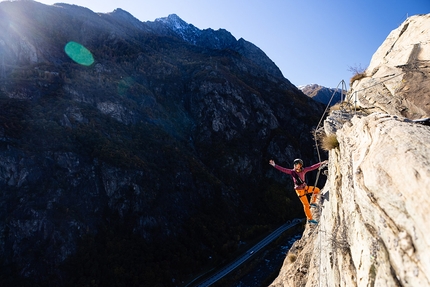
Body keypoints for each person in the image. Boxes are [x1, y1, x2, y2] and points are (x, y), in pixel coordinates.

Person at [269, 158, 327, 224]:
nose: (295, 165)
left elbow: (312, 167)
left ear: (300, 165)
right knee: (306, 205)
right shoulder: (292, 172)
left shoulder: (304, 170)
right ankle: (310, 219)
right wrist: (274, 165)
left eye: (296, 164)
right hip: (300, 191)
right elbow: (283, 170)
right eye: (295, 164)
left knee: (316, 190)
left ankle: (313, 202)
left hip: (305, 188)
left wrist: (321, 163)